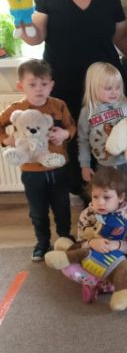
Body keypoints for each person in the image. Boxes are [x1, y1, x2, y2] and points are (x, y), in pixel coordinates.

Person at [21, 0, 127, 203]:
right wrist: (20, 19)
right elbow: (35, 37)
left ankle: (114, 198)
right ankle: (85, 197)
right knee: (74, 141)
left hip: (105, 86)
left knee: (110, 137)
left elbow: (121, 36)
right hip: (65, 83)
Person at [0, 59, 76, 261]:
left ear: (51, 85)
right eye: (32, 84)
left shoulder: (59, 106)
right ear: (21, 86)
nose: (39, 89)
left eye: (44, 84)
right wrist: (6, 140)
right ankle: (42, 242)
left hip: (58, 168)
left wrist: (65, 134)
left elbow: (71, 126)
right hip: (31, 171)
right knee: (38, 211)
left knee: (62, 208)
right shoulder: (16, 109)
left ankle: (64, 237)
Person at [46, 166, 127, 311]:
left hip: (121, 259)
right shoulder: (87, 214)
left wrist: (117, 245)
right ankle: (111, 284)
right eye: (95, 197)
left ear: (120, 197)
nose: (100, 203)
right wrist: (92, 242)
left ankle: (101, 285)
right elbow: (80, 243)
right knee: (66, 266)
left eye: (106, 197)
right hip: (93, 258)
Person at [77, 62, 127, 207]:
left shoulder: (126, 105)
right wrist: (85, 165)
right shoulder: (87, 112)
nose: (114, 92)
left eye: (118, 87)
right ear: (93, 87)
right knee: (108, 199)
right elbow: (82, 140)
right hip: (104, 166)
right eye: (108, 88)